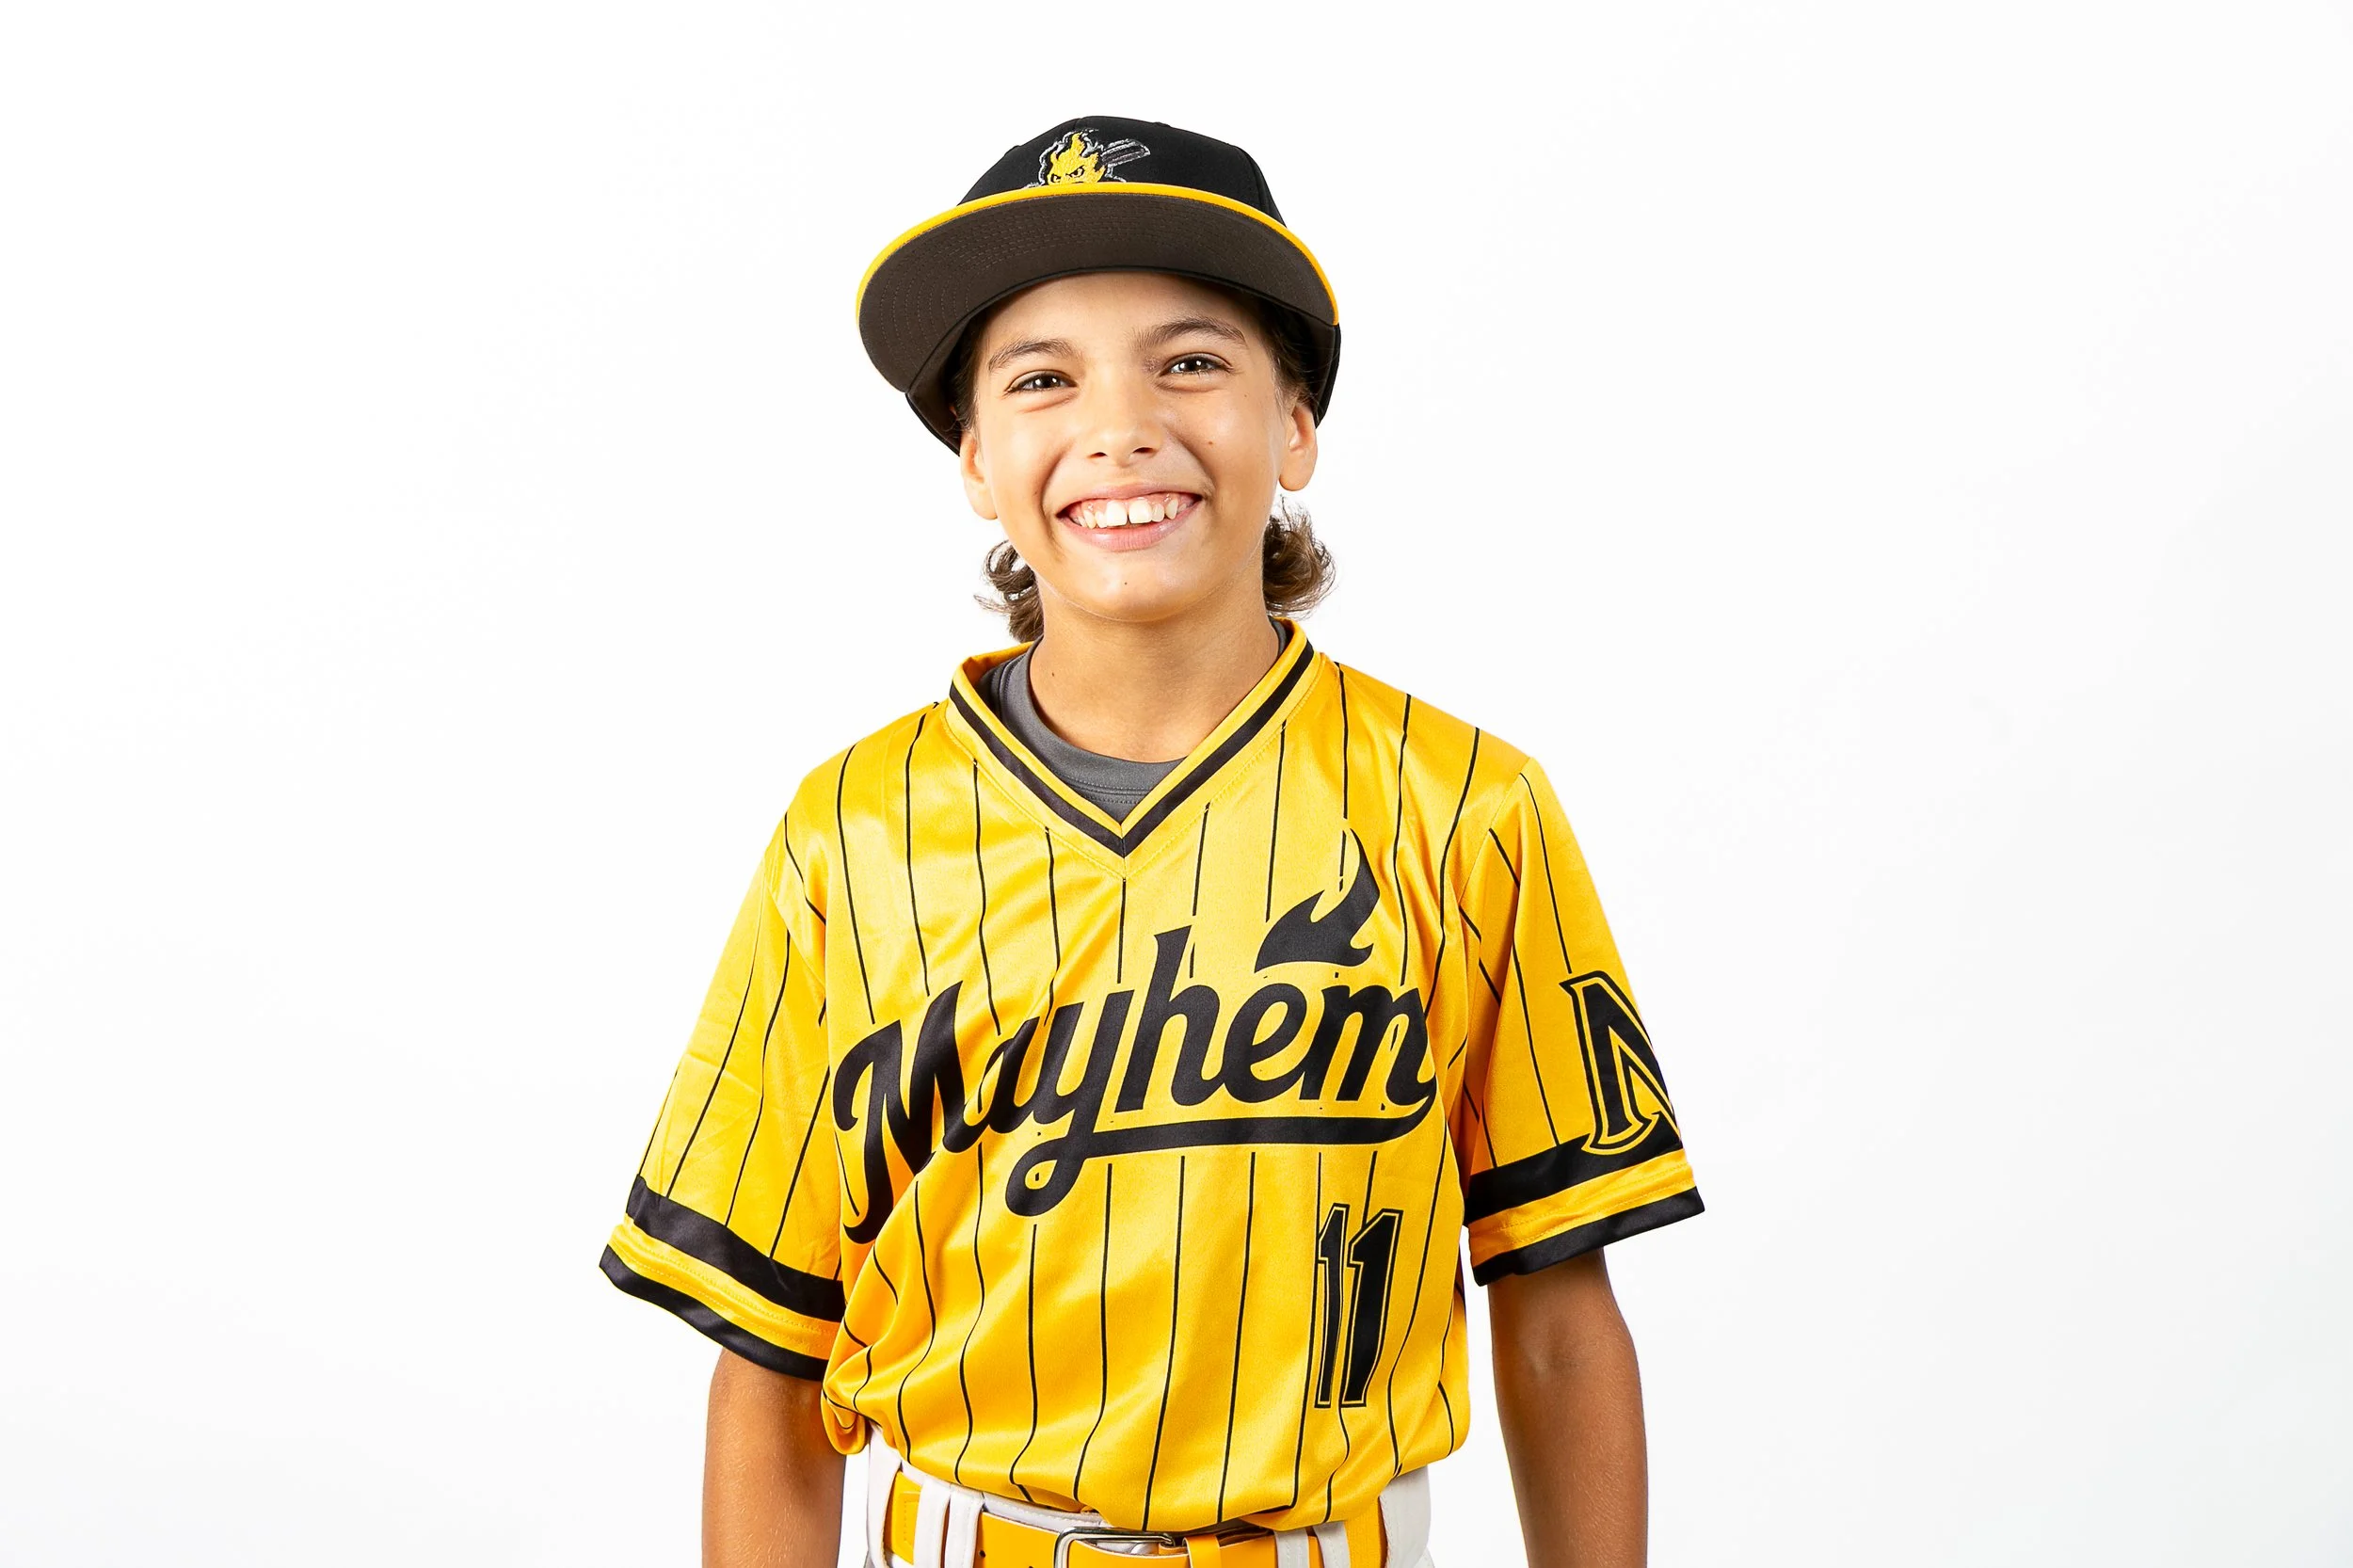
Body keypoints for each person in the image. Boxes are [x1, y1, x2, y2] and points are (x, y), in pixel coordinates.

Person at [600, 116, 1703, 1568]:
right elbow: (769, 1362)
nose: (1118, 426)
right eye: (1041, 378)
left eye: (1189, 362)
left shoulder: (1464, 808)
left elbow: (1557, 1315)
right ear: (977, 457)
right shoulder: (851, 836)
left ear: (1294, 422)